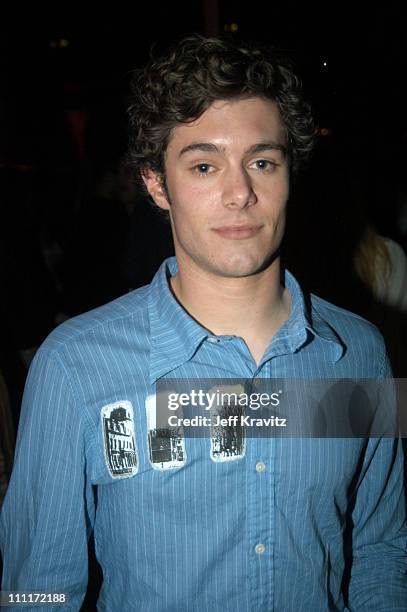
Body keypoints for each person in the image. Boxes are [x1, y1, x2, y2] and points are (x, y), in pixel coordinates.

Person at [1, 35, 406, 611]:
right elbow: (34, 592)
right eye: (204, 165)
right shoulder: (77, 367)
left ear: (291, 173)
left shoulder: (360, 354)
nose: (239, 193)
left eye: (262, 161)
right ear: (156, 183)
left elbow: (380, 547)